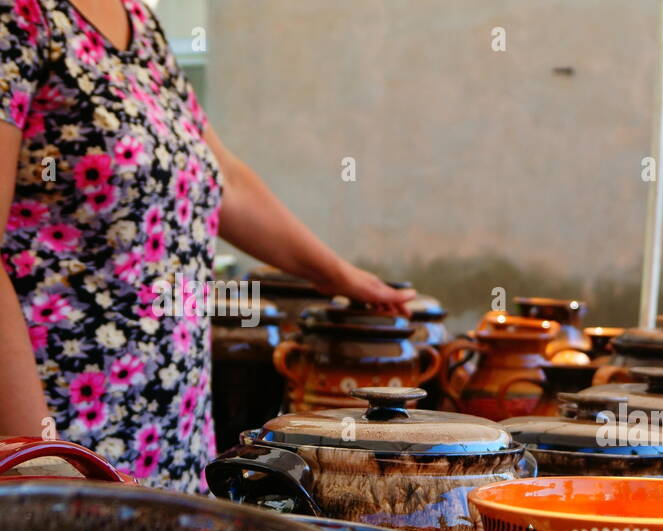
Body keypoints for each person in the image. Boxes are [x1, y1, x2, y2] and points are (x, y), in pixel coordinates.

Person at [0, 0, 412, 491]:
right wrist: (39, 461)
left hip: (170, 428)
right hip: (63, 422)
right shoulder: (18, 18)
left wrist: (338, 276)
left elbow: (225, 182)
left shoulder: (138, 23)